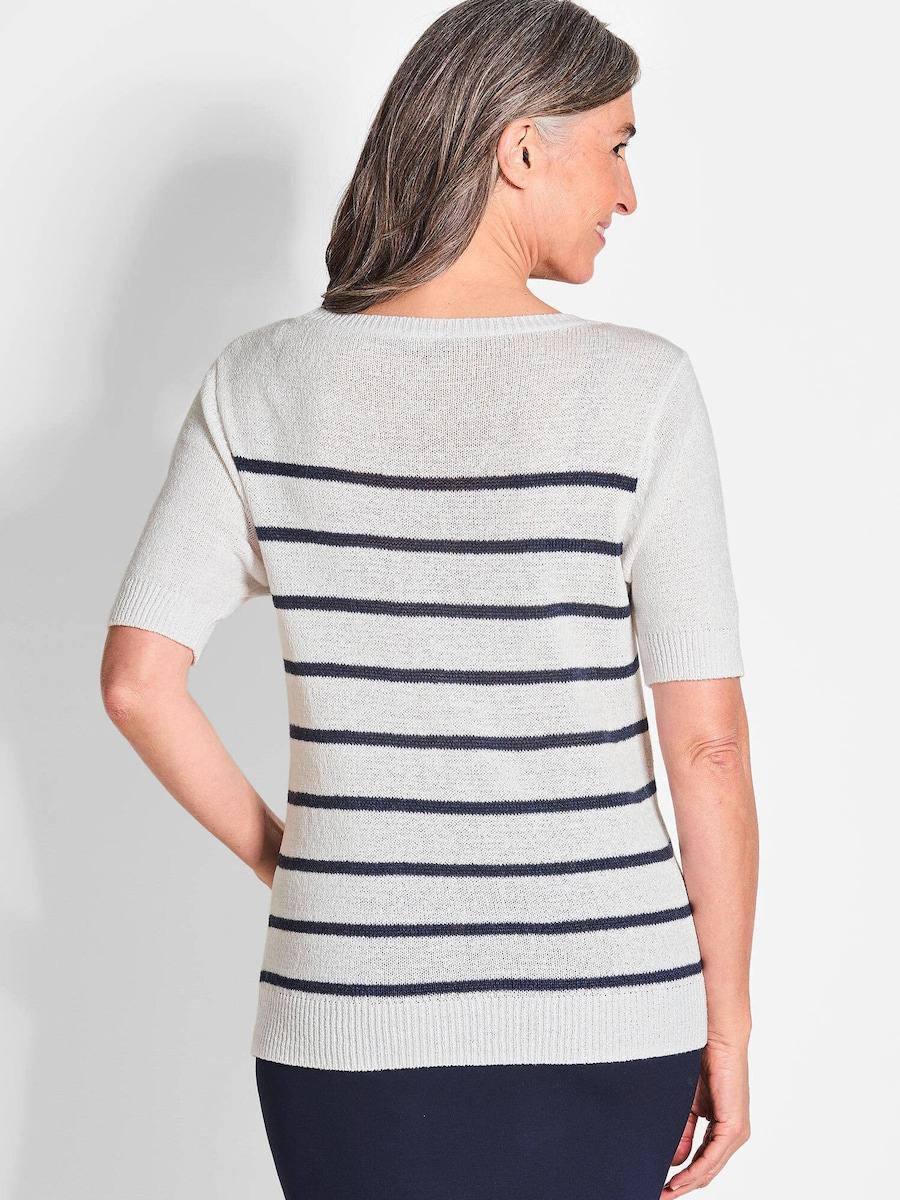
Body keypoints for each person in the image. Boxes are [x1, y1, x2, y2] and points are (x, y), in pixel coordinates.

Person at [100, 1, 758, 1197]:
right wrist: (729, 1024)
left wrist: (302, 872)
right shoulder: (642, 391)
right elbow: (706, 749)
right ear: (521, 150)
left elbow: (139, 685)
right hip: (611, 1012)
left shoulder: (260, 382)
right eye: (616, 146)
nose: (628, 194)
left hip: (347, 1016)